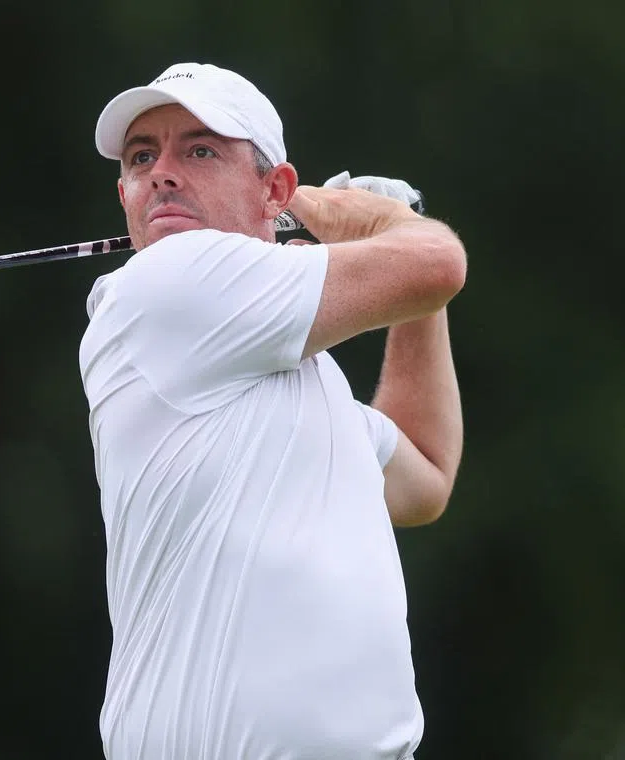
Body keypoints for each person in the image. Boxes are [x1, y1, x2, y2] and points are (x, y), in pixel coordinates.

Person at [77, 62, 466, 760]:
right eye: (143, 157)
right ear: (124, 195)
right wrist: (383, 222)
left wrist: (412, 294)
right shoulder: (166, 287)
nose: (163, 172)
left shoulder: (295, 375)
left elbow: (426, 476)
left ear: (274, 190)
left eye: (198, 150)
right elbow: (436, 263)